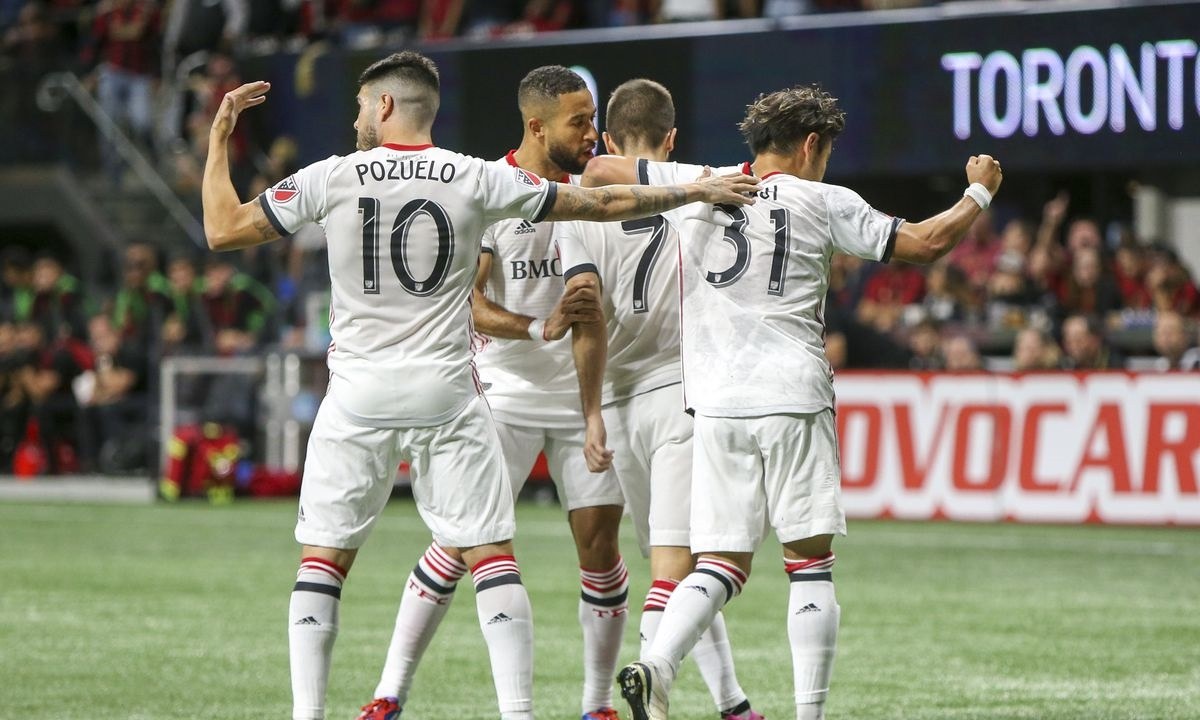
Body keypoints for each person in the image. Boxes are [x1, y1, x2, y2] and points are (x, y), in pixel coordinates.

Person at [200, 51, 758, 720]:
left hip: (357, 394)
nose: (355, 119)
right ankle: (512, 712)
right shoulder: (473, 176)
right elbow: (602, 201)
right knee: (492, 558)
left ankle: (310, 714)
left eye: (360, 106)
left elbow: (222, 228)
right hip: (449, 391)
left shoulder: (331, 175)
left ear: (384, 106)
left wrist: (218, 139)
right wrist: (695, 190)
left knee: (323, 563)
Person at [586, 84, 1002, 720]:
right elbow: (925, 243)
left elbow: (597, 171)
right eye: (826, 151)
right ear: (811, 145)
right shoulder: (824, 200)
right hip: (791, 394)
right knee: (809, 564)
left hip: (715, 403)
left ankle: (658, 665)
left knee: (719, 563)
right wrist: (978, 193)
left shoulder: (707, 181)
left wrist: (694, 189)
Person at [361, 64, 628, 720]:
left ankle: (597, 705)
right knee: (458, 544)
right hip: (502, 395)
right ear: (537, 127)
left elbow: (590, 313)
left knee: (600, 552)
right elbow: (468, 302)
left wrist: (594, 410)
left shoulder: (593, 196)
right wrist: (538, 327)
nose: (592, 134)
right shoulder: (486, 190)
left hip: (580, 399)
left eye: (593, 120)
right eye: (579, 122)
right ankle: (389, 693)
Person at [556, 79, 763, 720]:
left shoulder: (577, 206)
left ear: (609, 136)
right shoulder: (703, 186)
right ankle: (652, 693)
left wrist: (591, 412)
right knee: (680, 570)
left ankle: (733, 705)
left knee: (679, 566)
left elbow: (585, 316)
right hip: (683, 393)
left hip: (619, 403)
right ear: (671, 138)